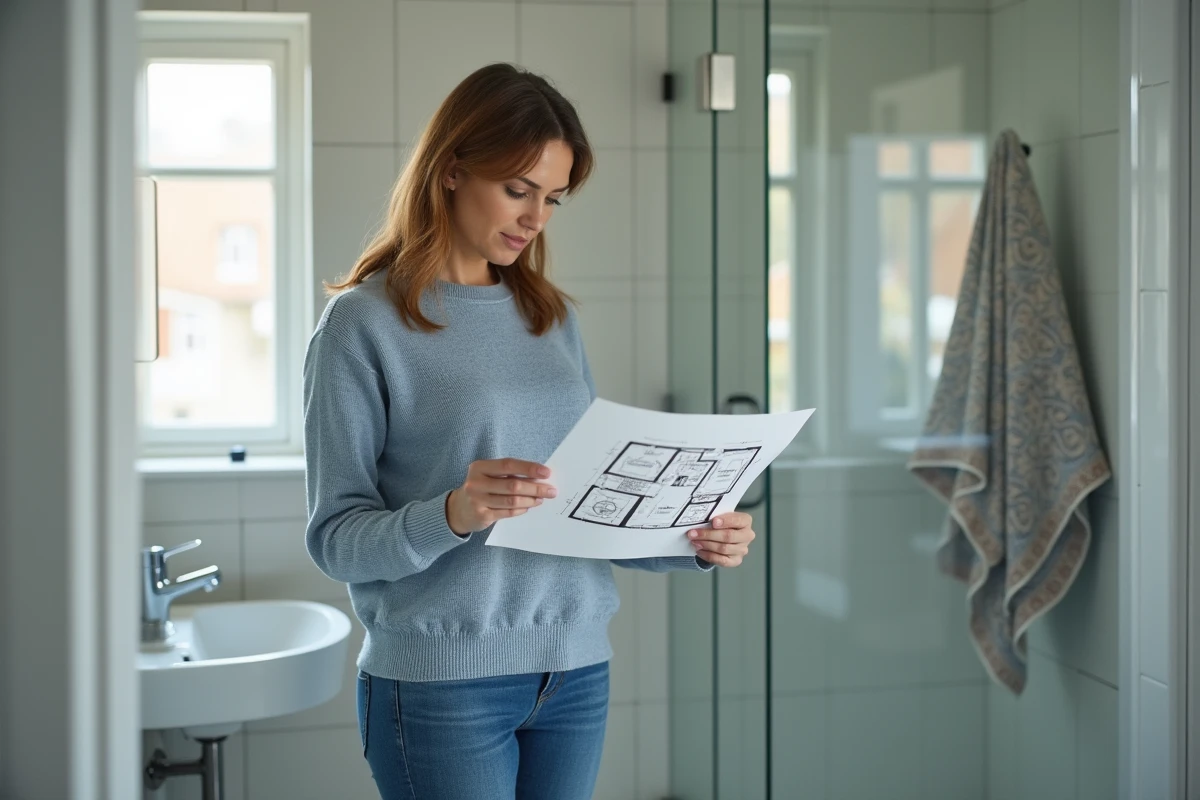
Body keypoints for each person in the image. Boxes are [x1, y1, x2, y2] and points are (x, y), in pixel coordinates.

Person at [302, 62, 757, 800]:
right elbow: (335, 539)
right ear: (451, 171)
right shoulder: (362, 324)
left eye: (552, 197)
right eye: (518, 189)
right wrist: (453, 513)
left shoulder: (550, 318)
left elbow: (580, 508)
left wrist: (692, 540)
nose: (535, 217)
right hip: (441, 685)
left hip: (575, 674)